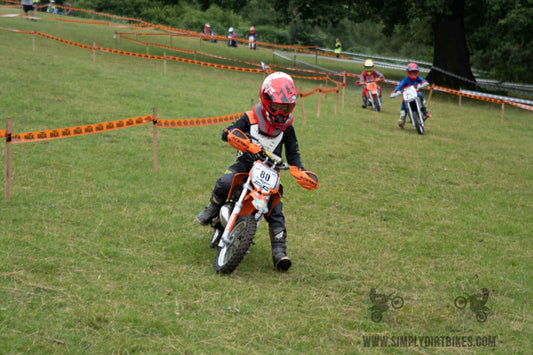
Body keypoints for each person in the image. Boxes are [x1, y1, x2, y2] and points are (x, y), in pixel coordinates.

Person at [195, 72, 318, 271]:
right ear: (266, 99)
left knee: (276, 209)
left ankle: (279, 251)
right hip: (246, 162)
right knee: (226, 181)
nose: (280, 112)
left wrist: (300, 171)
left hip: (272, 171)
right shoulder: (251, 117)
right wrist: (237, 138)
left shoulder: (287, 128)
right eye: (277, 106)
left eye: (285, 108)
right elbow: (228, 131)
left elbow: (293, 154)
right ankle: (212, 208)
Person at [390, 62, 431, 128]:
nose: (413, 74)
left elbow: (424, 81)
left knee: (420, 95)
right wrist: (395, 92)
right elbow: (400, 85)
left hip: (416, 94)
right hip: (407, 96)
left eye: (415, 72)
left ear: (417, 72)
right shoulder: (405, 79)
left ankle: (425, 111)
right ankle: (402, 121)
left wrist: (424, 84)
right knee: (403, 104)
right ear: (408, 72)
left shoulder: (418, 78)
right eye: (411, 72)